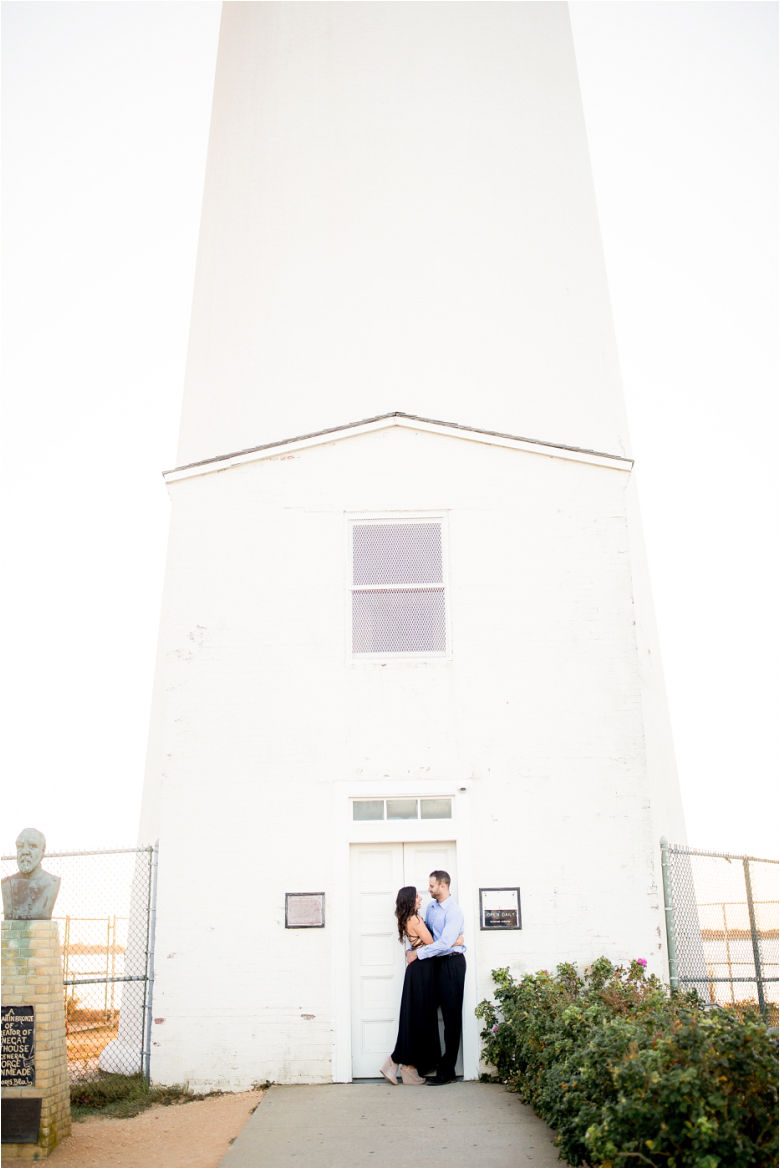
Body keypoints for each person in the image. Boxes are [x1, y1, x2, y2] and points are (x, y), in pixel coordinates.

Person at [405, 870, 466, 1086]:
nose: (428, 890)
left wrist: (418, 953)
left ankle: (447, 1071)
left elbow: (442, 944)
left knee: (450, 1018)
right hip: (433, 965)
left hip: (451, 965)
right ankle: (426, 1063)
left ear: (443, 886)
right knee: (427, 1014)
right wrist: (415, 948)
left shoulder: (454, 911)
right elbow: (427, 937)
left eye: (431, 886)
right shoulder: (430, 908)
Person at [380, 886, 442, 1086]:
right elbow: (431, 943)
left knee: (416, 1019)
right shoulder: (414, 919)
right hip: (422, 972)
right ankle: (397, 1062)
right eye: (417, 897)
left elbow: (418, 946)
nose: (421, 899)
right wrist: (455, 940)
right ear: (409, 900)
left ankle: (408, 1068)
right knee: (419, 1018)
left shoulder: (408, 918)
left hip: (418, 971)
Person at [2, 827, 61, 920]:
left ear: (42, 851)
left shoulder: (51, 882)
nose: (25, 852)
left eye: (32, 846)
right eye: (20, 846)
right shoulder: (6, 883)